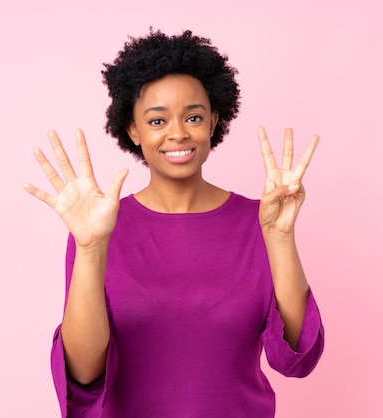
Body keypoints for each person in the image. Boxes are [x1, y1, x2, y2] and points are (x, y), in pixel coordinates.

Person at [24, 29, 324, 418]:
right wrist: (90, 247)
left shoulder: (262, 222)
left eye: (193, 117)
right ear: (132, 130)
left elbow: (296, 360)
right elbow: (83, 374)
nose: (178, 133)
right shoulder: (99, 228)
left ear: (214, 120)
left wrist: (281, 237)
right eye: (157, 120)